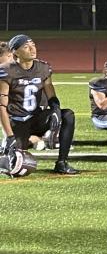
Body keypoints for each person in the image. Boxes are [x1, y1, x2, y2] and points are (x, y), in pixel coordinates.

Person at [0, 34, 78, 174]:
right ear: (15, 52)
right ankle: (9, 147)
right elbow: (2, 107)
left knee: (68, 115)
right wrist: (10, 136)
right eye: (26, 46)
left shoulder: (43, 68)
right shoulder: (6, 71)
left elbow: (51, 94)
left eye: (33, 45)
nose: (32, 49)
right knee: (15, 166)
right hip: (18, 122)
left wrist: (55, 110)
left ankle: (62, 163)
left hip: (37, 118)